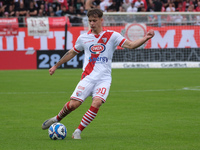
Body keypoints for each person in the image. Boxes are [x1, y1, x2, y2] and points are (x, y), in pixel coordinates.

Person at [41, 8, 154, 139]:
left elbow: (131, 45)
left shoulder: (112, 36)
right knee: (74, 105)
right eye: (90, 21)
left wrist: (146, 37)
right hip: (88, 77)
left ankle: (78, 131)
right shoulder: (84, 38)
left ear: (101, 20)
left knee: (97, 103)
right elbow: (72, 52)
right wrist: (56, 65)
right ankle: (56, 118)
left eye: (94, 20)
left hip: (104, 79)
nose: (92, 23)